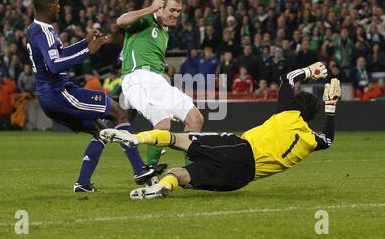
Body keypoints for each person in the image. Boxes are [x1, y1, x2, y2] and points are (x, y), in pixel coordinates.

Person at [101, 62, 341, 199]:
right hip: (240, 180)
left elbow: (287, 78)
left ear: (298, 106)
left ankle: (134, 137)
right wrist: (330, 107)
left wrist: (309, 71)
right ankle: (162, 187)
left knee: (179, 139)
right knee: (182, 173)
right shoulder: (311, 140)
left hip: (239, 150)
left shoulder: (289, 113)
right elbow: (328, 140)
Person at [26, 0, 165, 193]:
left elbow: (59, 54)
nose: (60, 7)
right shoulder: (44, 31)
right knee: (119, 113)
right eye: (57, 4)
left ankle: (83, 183)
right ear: (48, 7)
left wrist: (85, 41)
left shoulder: (35, 29)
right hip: (59, 93)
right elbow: (55, 65)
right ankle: (140, 169)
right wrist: (87, 51)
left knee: (99, 131)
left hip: (49, 97)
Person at [116, 0, 204, 167]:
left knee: (195, 118)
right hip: (137, 79)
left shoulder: (164, 32)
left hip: (158, 80)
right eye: (172, 10)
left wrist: (163, 66)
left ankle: (190, 173)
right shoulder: (146, 20)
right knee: (163, 124)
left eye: (178, 11)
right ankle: (151, 172)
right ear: (159, 7)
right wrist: (149, 8)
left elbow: (146, 51)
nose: (176, 14)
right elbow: (120, 21)